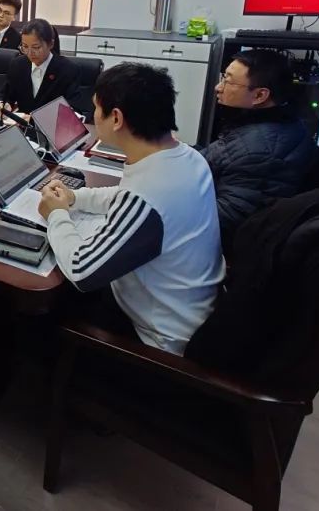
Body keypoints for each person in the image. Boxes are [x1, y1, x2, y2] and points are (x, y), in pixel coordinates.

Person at [37, 63, 224, 355]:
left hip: (158, 341)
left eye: (96, 108)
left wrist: (56, 214)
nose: (93, 115)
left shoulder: (148, 195)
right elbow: (126, 196)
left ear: (116, 118)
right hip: (191, 307)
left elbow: (81, 270)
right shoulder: (186, 157)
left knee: (44, 310)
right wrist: (75, 198)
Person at [201, 49, 318, 252]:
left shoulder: (259, 153)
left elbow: (225, 220)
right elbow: (221, 156)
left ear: (260, 95)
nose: (218, 87)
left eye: (228, 81)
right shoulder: (278, 124)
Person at [0, 18, 80, 113]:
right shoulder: (18, 65)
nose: (29, 53)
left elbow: (74, 110)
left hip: (49, 122)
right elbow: (6, 95)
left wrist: (33, 119)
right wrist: (5, 104)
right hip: (20, 122)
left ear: (51, 44)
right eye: (25, 46)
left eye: (36, 47)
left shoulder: (67, 70)